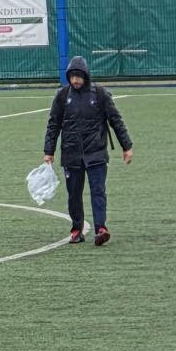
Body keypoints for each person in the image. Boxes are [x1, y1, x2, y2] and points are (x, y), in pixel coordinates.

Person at [43, 56, 133, 246]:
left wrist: (127, 146)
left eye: (79, 76)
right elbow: (53, 124)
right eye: (72, 76)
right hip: (71, 154)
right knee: (74, 194)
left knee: (98, 191)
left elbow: (115, 120)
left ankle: (101, 228)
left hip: (96, 152)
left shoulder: (100, 94)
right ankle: (77, 230)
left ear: (86, 76)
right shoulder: (62, 96)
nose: (75, 80)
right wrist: (48, 151)